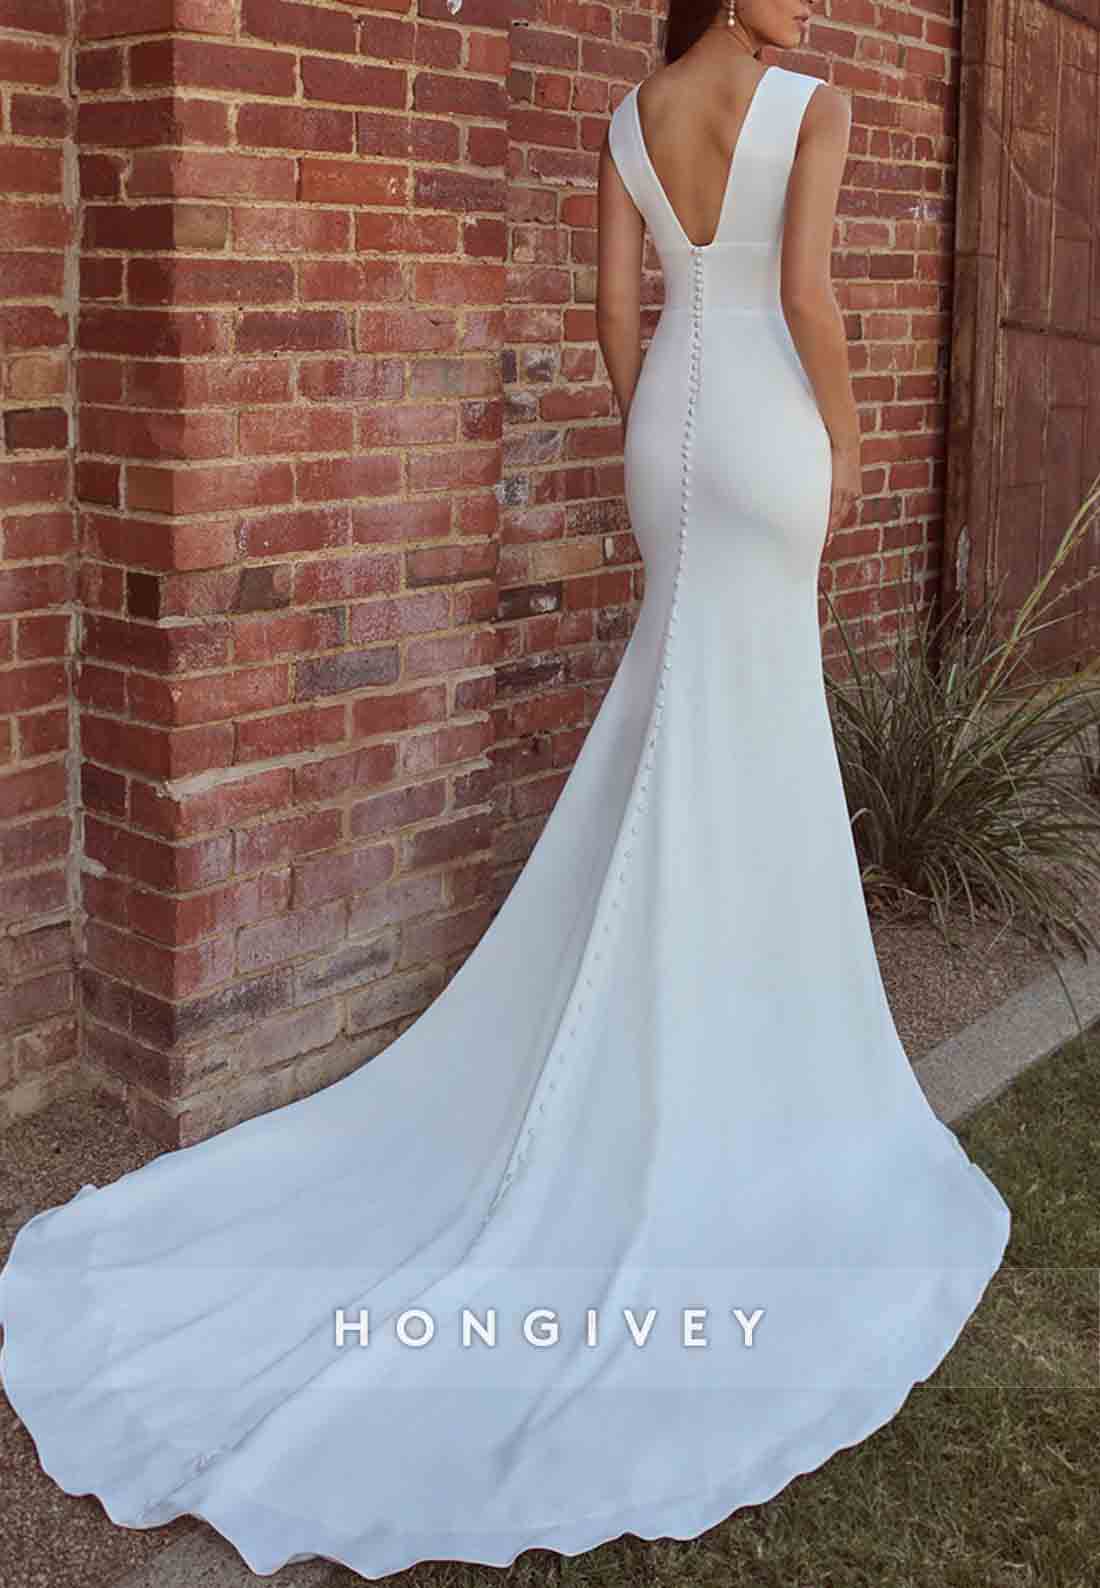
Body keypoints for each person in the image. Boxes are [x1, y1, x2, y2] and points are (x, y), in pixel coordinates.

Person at [0, 2, 1011, 1580]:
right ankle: (732, 1050)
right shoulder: (812, 105)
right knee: (747, 734)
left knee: (685, 721)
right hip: (768, 428)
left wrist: (653, 431)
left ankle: (671, 1011)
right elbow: (808, 295)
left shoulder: (628, 121)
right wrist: (853, 438)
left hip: (667, 427)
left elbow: (615, 313)